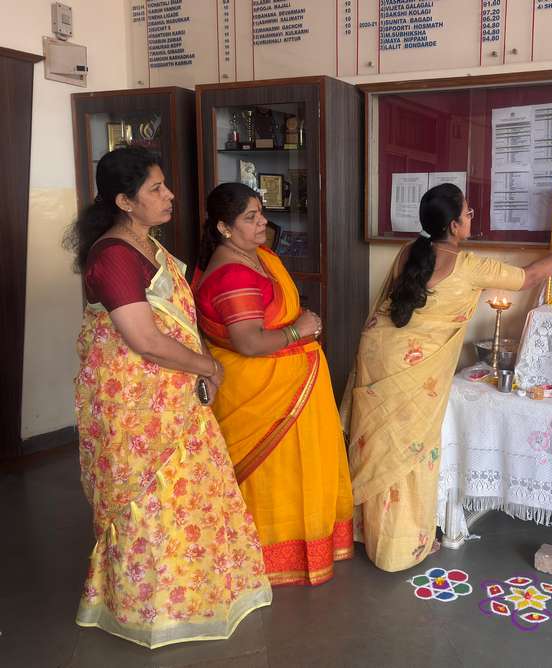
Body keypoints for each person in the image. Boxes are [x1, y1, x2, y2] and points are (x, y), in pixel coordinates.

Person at [66, 147, 271, 648]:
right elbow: (144, 339)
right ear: (124, 201)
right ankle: (150, 611)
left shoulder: (148, 246)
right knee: (149, 509)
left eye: (165, 185)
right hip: (135, 410)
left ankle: (200, 593)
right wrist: (210, 367)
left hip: (176, 400)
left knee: (191, 500)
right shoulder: (113, 256)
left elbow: (179, 321)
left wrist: (198, 370)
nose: (170, 195)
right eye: (156, 188)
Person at [341, 183, 552, 572]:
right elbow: (527, 278)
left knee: (378, 446)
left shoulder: (409, 251)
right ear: (454, 225)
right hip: (412, 373)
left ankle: (365, 531)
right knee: (411, 453)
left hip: (378, 356)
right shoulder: (469, 265)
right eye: (469, 213)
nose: (474, 218)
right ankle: (398, 549)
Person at [193, 183, 353, 586]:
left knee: (296, 471)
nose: (262, 220)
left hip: (289, 385)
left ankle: (305, 547)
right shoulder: (232, 273)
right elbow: (248, 342)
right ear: (224, 228)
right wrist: (298, 332)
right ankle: (264, 556)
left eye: (260, 212)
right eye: (250, 216)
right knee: (275, 476)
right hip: (261, 393)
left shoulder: (256, 257)